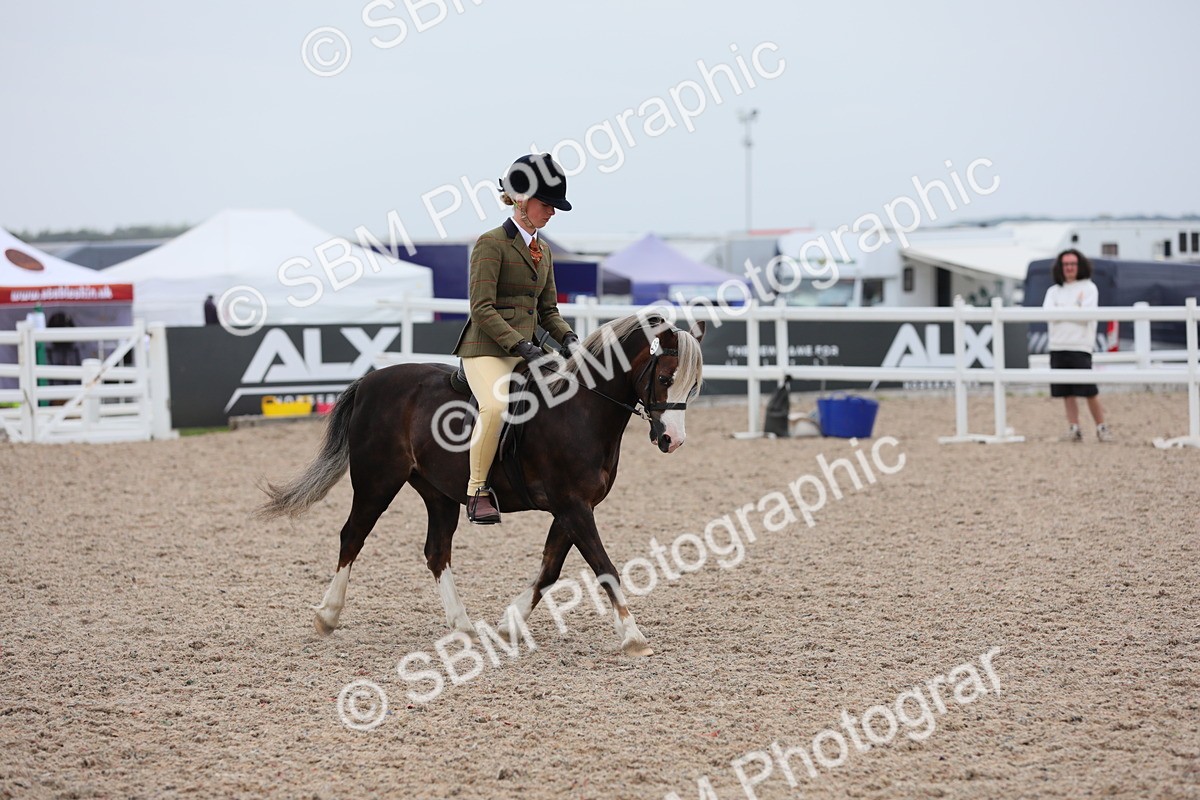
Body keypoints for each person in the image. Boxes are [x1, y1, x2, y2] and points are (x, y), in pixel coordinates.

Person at [451, 153, 581, 524]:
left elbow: (548, 310)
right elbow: (482, 308)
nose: (552, 212)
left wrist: (570, 339)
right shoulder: (491, 244)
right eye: (546, 204)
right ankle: (477, 489)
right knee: (494, 406)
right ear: (522, 201)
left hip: (527, 350)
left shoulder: (545, 250)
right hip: (487, 349)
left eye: (555, 207)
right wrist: (521, 345)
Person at [1042, 249, 1112, 442]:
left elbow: (1085, 316)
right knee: (1066, 392)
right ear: (1060, 267)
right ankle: (1074, 427)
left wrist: (1062, 312)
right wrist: (1072, 311)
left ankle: (1101, 427)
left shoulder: (1089, 288)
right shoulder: (1053, 291)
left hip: (1080, 345)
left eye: (1073, 264)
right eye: (1066, 264)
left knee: (1089, 390)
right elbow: (1048, 314)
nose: (1069, 268)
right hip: (1058, 345)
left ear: (1079, 266)